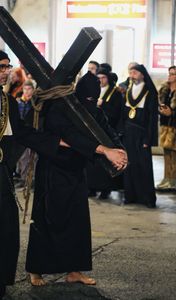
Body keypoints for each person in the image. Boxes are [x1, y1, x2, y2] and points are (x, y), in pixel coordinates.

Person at [24, 73, 128, 285]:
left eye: (93, 100)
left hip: (76, 171)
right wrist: (104, 150)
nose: (90, 103)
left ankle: (74, 271)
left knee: (78, 222)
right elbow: (71, 136)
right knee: (47, 220)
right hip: (52, 170)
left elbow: (106, 131)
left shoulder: (95, 112)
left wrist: (120, 152)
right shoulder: (60, 108)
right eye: (87, 99)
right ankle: (36, 270)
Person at [0, 50, 64, 299]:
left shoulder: (9, 102)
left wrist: (60, 143)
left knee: (6, 225)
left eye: (7, 67)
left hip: (2, 172)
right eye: (1, 67)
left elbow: (25, 134)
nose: (5, 72)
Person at [123, 64, 158, 208]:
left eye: (135, 72)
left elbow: (152, 119)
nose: (132, 75)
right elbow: (124, 113)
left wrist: (148, 139)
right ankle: (130, 196)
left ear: (142, 74)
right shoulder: (129, 90)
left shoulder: (149, 92)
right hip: (128, 133)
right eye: (130, 72)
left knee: (143, 166)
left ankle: (147, 198)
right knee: (129, 165)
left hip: (142, 134)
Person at [87, 68, 124, 199]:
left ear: (108, 78)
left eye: (103, 78)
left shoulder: (115, 93)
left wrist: (104, 105)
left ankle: (105, 189)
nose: (101, 80)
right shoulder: (92, 90)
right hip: (93, 129)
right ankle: (92, 187)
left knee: (105, 162)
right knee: (93, 161)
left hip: (107, 130)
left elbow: (117, 112)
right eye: (99, 78)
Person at [157, 66, 176, 190]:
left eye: (173, 74)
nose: (169, 76)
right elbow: (160, 105)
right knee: (166, 152)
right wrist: (161, 111)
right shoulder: (164, 89)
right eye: (169, 73)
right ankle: (166, 177)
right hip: (165, 124)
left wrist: (172, 113)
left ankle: (172, 179)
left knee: (174, 154)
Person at [15, 80, 36, 188]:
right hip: (21, 133)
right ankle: (23, 179)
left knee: (30, 157)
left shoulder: (34, 103)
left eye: (29, 89)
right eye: (25, 89)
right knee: (22, 158)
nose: (27, 91)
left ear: (33, 90)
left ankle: (29, 180)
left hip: (31, 133)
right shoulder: (19, 103)